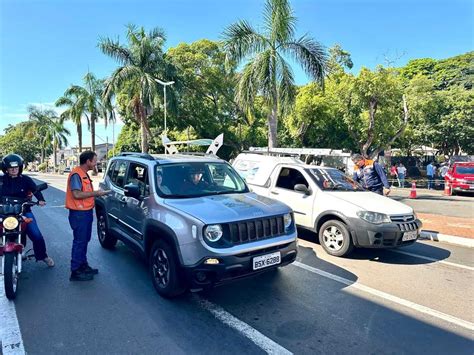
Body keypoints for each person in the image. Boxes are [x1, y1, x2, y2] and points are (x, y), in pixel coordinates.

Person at [0, 154, 54, 267]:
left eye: (16, 167)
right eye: (11, 168)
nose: (14, 170)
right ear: (6, 169)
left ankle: (43, 256)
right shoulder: (1, 180)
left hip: (23, 211)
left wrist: (41, 200)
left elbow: (35, 190)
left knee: (36, 235)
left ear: (20, 167)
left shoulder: (26, 180)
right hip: (3, 212)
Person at [66, 151, 110, 281]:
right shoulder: (76, 174)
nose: (96, 163)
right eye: (95, 161)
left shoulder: (83, 174)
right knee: (80, 241)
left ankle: (83, 265)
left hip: (85, 212)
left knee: (84, 240)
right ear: (88, 161)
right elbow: (77, 194)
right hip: (79, 213)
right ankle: (75, 271)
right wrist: (96, 193)